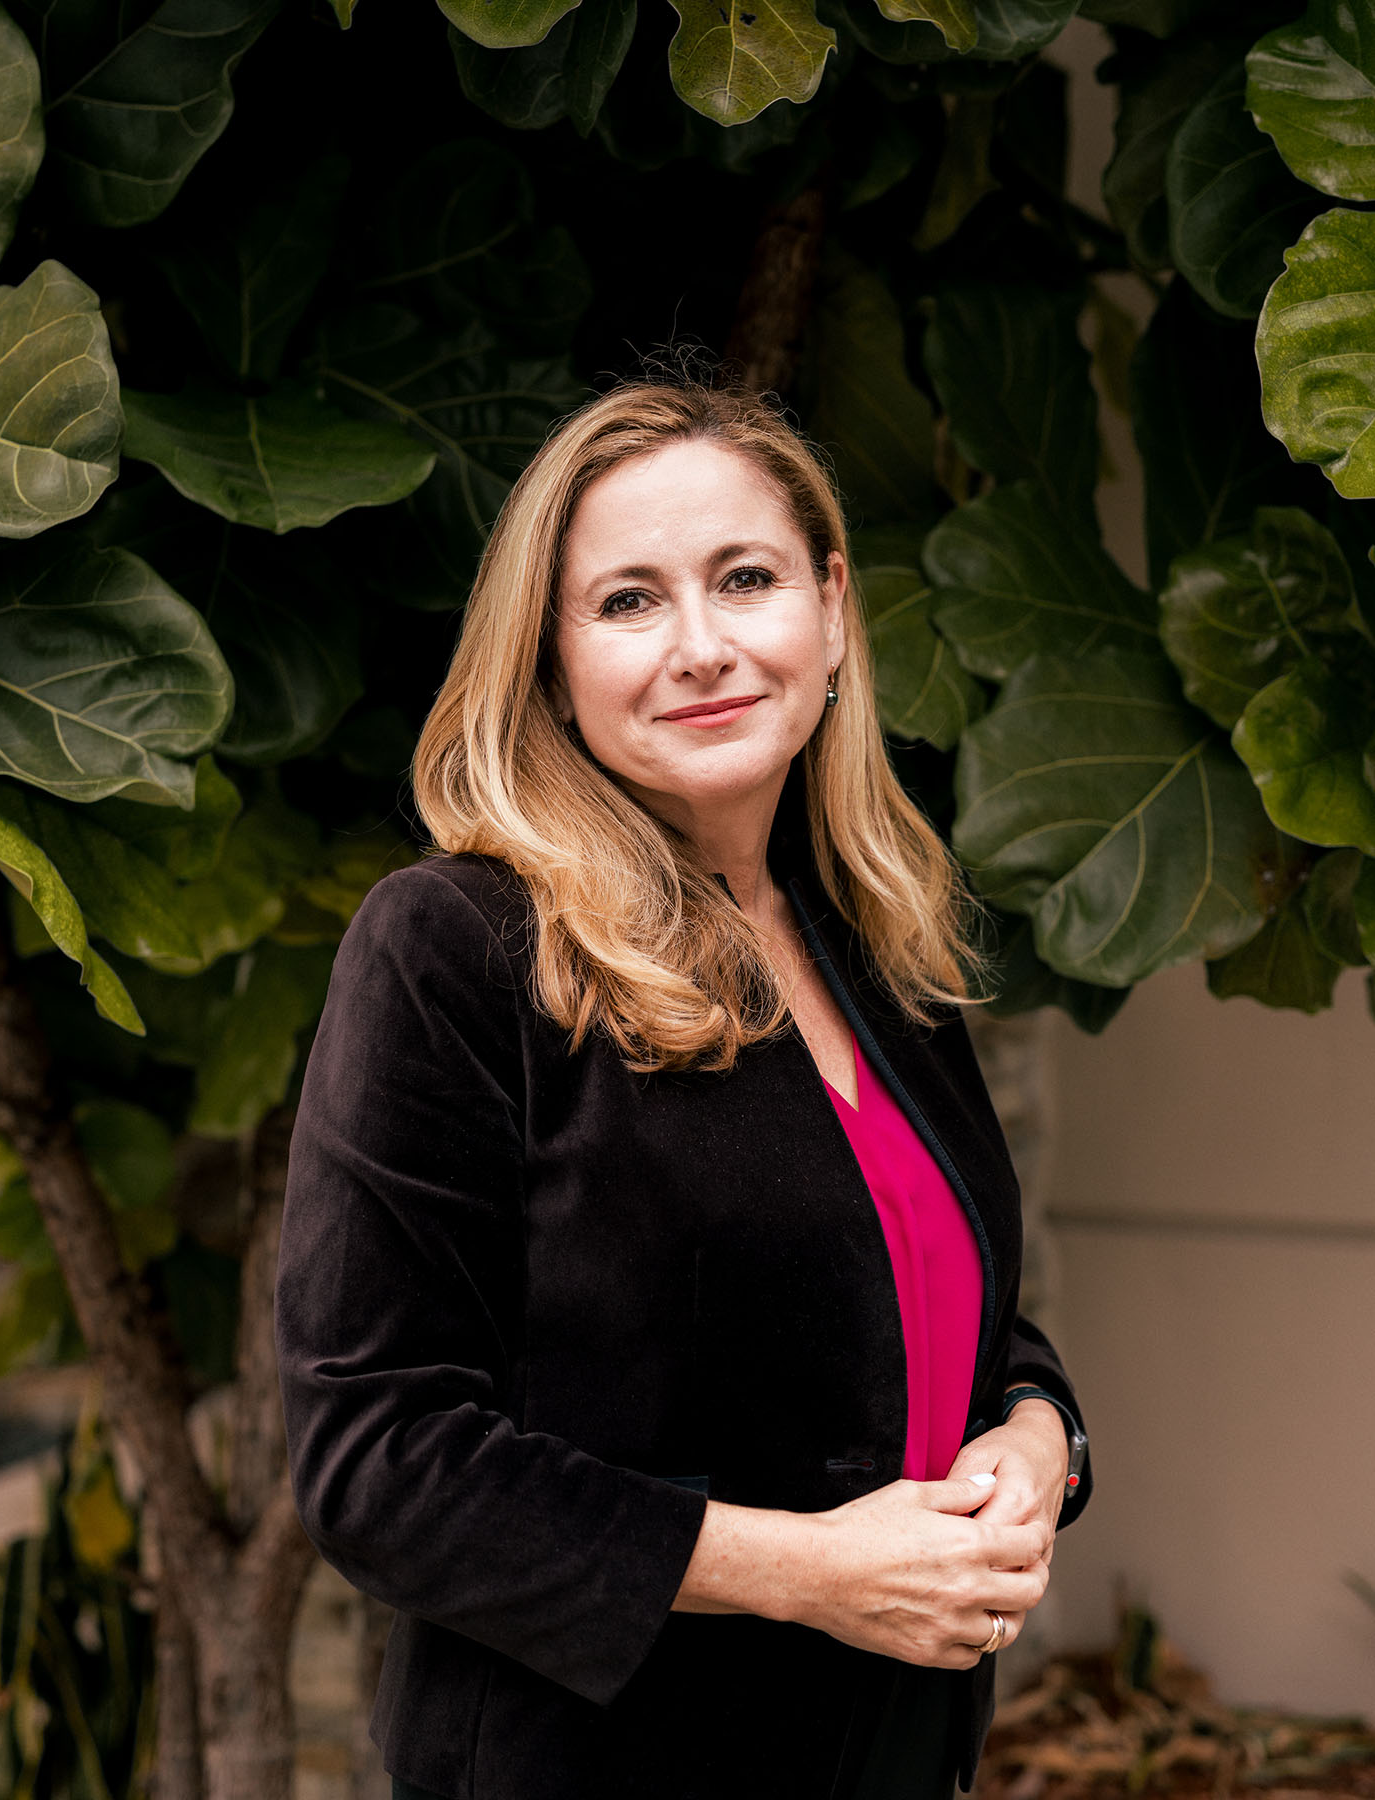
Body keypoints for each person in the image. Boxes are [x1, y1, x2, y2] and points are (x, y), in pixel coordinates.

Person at [273, 376, 1091, 1800]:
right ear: (550, 658)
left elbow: (927, 1302)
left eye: (747, 578)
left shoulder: (875, 936)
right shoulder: (456, 949)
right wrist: (808, 1571)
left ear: (832, 612)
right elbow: (378, 1458)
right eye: (629, 602)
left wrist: (1039, 1436)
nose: (702, 646)